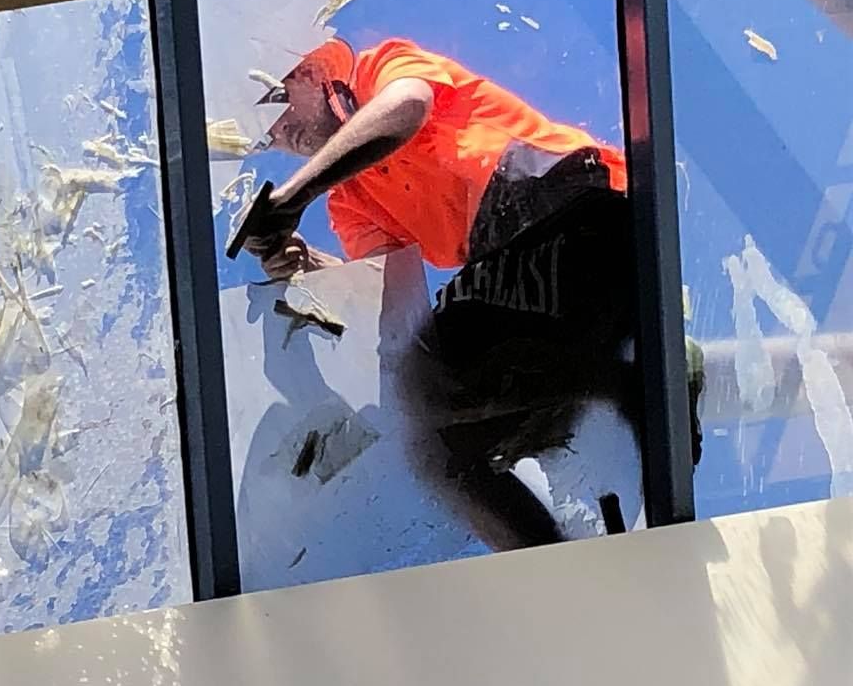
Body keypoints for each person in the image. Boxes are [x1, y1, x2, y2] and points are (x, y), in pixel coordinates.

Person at [236, 34, 700, 548]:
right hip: (514, 271)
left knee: (449, 363)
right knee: (437, 434)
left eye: (275, 108)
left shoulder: (378, 68)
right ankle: (552, 560)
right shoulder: (349, 203)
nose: (279, 133)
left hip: (570, 200)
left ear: (308, 73)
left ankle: (646, 366)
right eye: (266, 138)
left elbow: (408, 107)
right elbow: (387, 289)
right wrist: (308, 267)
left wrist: (294, 194)